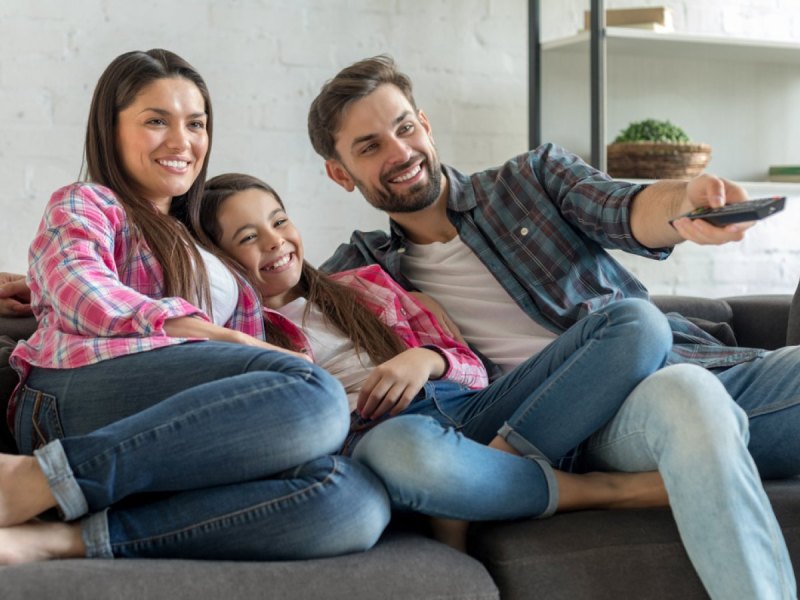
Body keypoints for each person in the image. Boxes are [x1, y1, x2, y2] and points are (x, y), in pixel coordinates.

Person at [307, 55, 798, 599]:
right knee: (680, 386)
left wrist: (684, 202)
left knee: (673, 365)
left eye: (403, 128)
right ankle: (505, 468)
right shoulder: (356, 278)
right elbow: (263, 314)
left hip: (682, 365)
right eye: (369, 147)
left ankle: (496, 472)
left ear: (425, 123)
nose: (400, 153)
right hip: (587, 430)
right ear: (339, 173)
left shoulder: (530, 180)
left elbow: (627, 207)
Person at [0, 49, 390, 565]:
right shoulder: (87, 202)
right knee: (313, 394)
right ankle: (32, 480)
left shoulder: (203, 241)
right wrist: (221, 337)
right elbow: (81, 292)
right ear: (110, 128)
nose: (182, 142)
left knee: (352, 498)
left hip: (179, 429)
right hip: (75, 390)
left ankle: (60, 539)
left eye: (196, 124)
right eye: (156, 121)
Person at [194, 171, 683, 550]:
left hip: (471, 412)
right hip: (382, 434)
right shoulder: (242, 338)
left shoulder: (363, 286)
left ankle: (473, 488)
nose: (275, 241)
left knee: (637, 322)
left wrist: (425, 360)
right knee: (400, 449)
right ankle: (603, 490)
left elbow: (471, 367)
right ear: (219, 260)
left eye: (278, 221)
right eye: (248, 237)